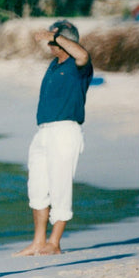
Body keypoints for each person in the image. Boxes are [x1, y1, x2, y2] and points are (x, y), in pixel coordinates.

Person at [16, 20, 93, 257]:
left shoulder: (78, 65)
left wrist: (55, 36)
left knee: (60, 186)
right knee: (37, 186)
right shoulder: (54, 64)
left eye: (54, 40)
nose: (50, 44)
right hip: (44, 131)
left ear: (64, 39)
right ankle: (39, 241)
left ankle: (55, 242)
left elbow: (82, 53)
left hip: (65, 130)